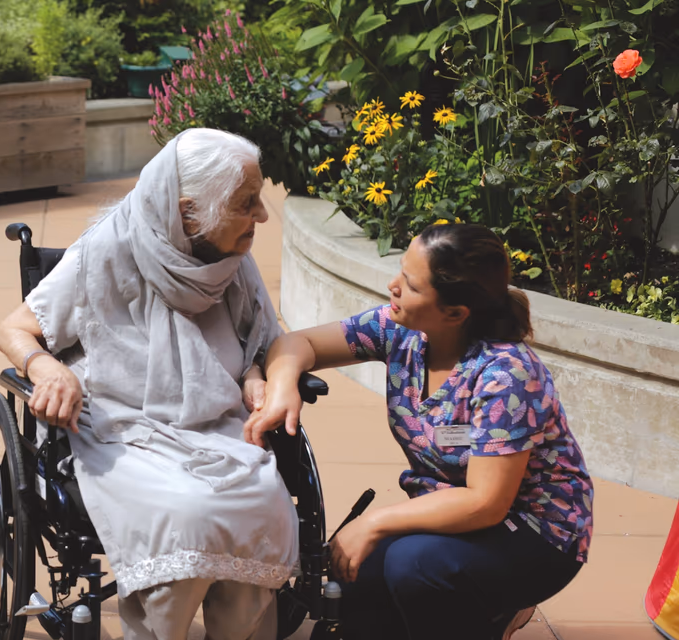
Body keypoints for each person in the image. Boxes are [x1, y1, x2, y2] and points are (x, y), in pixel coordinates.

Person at [0, 128, 298, 640]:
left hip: (218, 425)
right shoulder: (105, 252)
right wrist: (46, 367)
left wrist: (254, 374)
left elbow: (261, 340)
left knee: (262, 501)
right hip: (121, 428)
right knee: (188, 512)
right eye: (246, 203)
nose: (263, 215)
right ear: (187, 213)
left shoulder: (233, 260)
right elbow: (14, 329)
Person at [244, 223, 594, 640]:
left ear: (455, 313)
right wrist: (283, 387)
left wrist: (375, 523)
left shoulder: (506, 375)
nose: (393, 286)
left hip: (535, 532)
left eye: (410, 284)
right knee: (354, 581)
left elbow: (486, 503)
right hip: (447, 514)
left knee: (414, 566)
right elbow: (298, 344)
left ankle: (494, 612)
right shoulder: (401, 330)